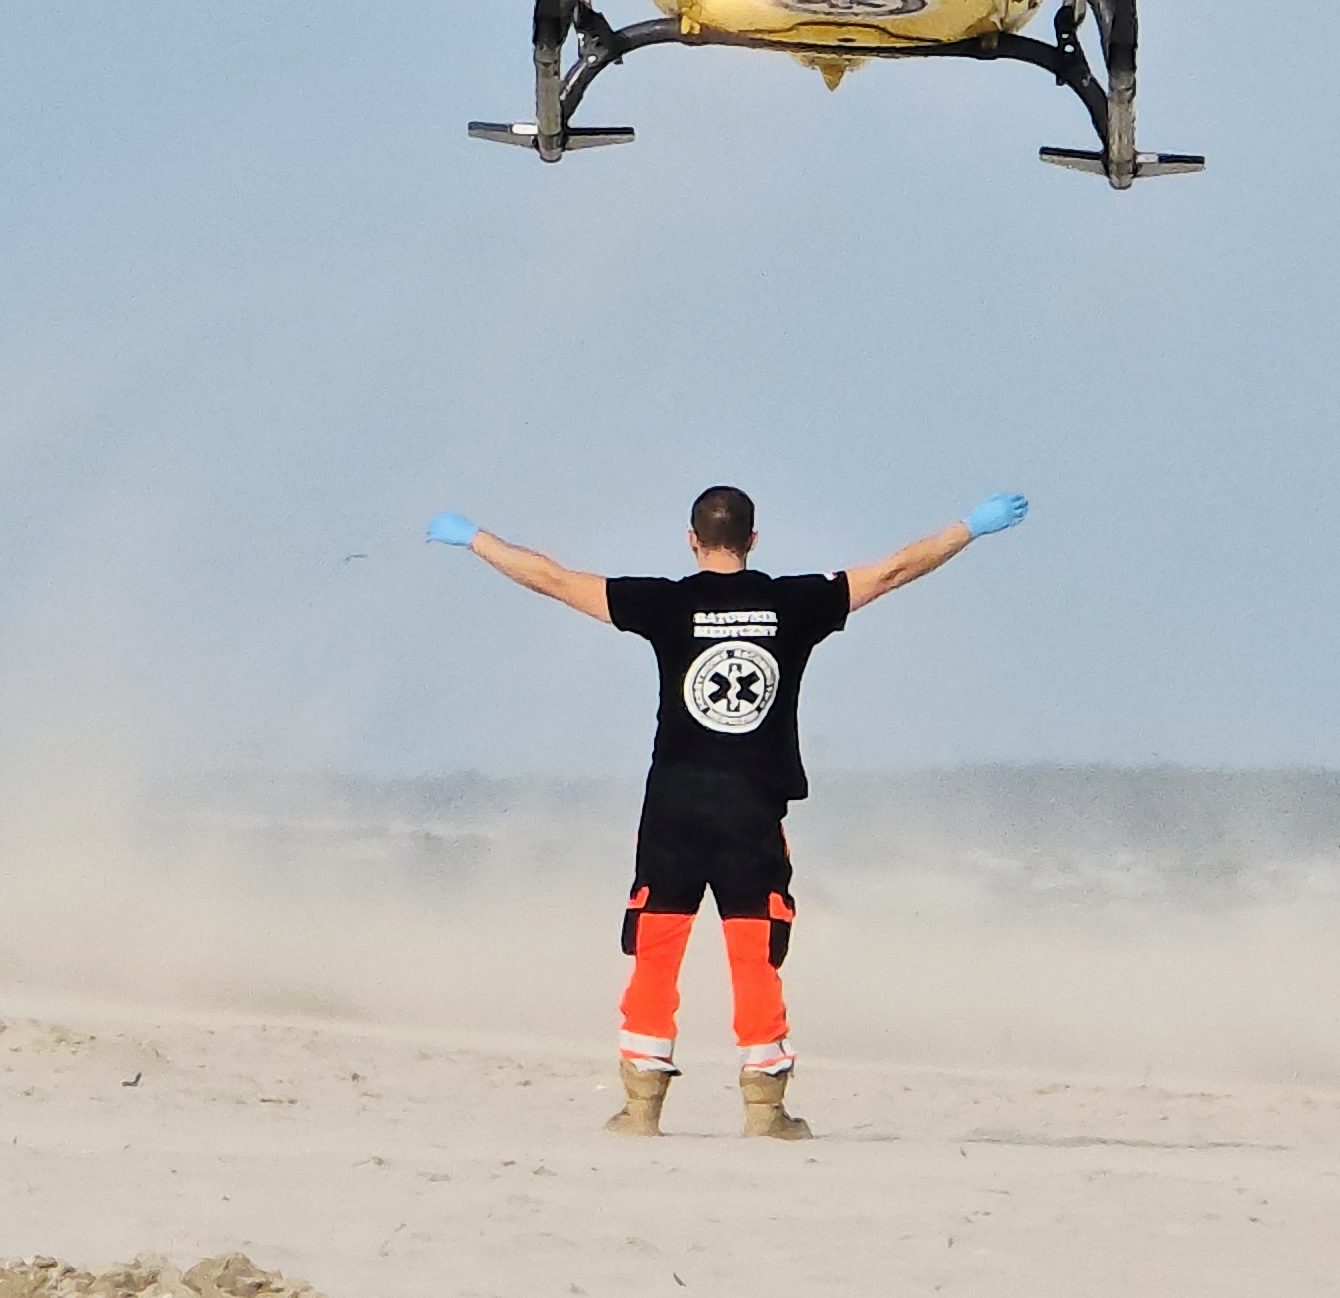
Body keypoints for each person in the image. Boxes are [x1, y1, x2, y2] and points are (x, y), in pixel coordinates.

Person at [424, 478, 1030, 1136]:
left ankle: (640, 1109)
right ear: (753, 540)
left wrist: (475, 540)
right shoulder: (793, 602)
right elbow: (893, 570)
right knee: (754, 953)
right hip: (751, 810)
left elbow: (553, 579)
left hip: (674, 808)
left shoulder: (664, 604)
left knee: (655, 950)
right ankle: (765, 1113)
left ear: (692, 541)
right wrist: (967, 528)